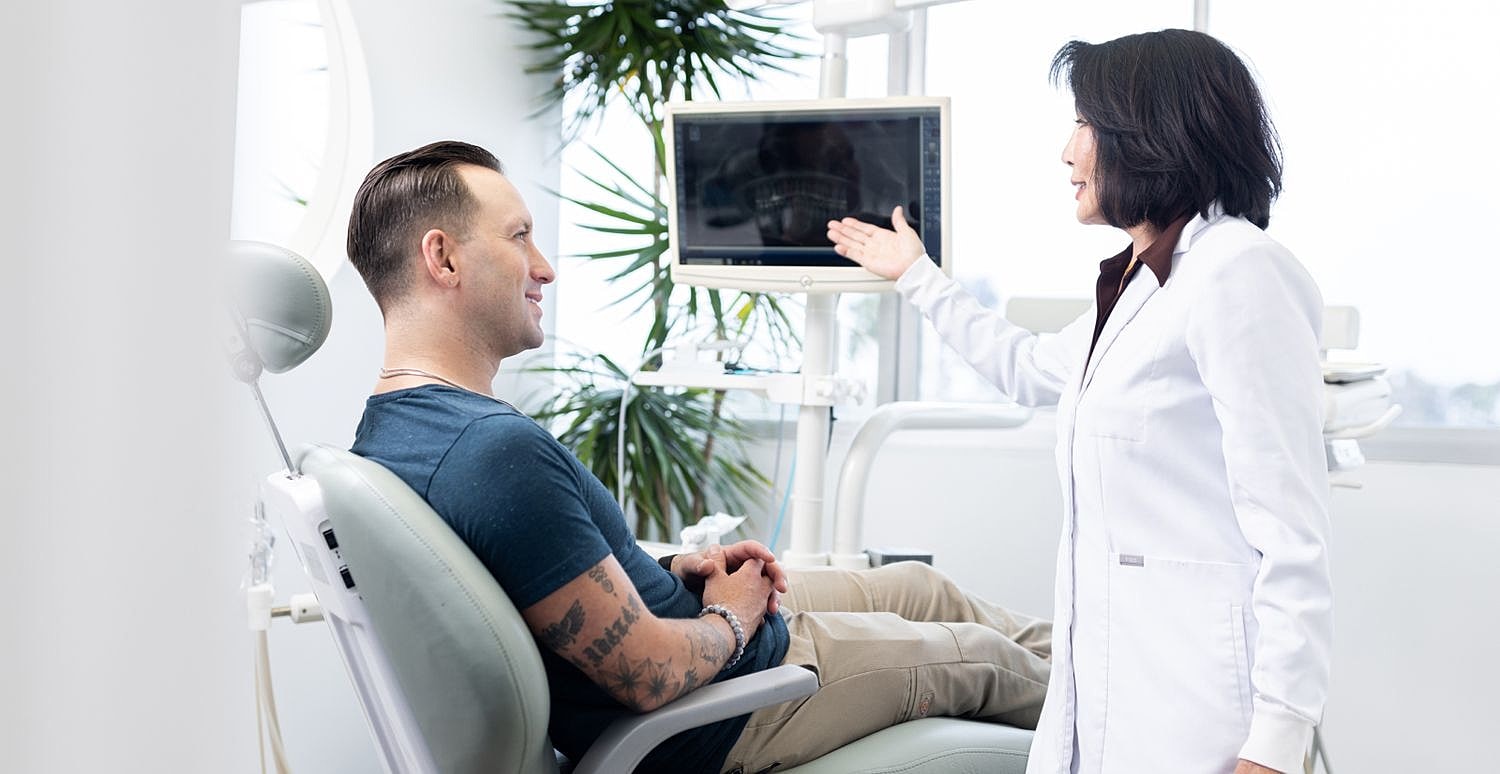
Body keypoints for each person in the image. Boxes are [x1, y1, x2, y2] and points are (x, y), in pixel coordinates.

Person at [343, 140, 1052, 774]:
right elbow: (647, 675)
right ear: (443, 258)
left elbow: (541, 581)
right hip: (722, 711)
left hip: (706, 646)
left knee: (922, 591)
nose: (544, 268)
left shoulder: (391, 434)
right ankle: (1118, 718)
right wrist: (735, 617)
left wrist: (674, 570)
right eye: (519, 236)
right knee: (984, 657)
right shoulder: (491, 452)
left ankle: (1112, 659)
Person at [827, 29, 1331, 774]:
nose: (1067, 153)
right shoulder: (1142, 282)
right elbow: (1028, 368)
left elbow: (1292, 534)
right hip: (1108, 678)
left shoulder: (1238, 270)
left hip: (1197, 703)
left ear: (1148, 133)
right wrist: (916, 275)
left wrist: (1278, 743)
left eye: (1085, 125)